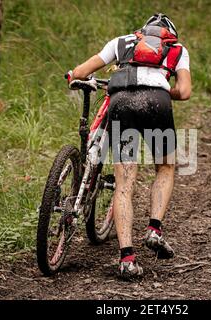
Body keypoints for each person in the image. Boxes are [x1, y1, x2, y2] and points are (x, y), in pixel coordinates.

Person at [67, 13, 191, 280]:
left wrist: (72, 75)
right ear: (168, 34)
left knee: (124, 183)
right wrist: (164, 88)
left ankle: (127, 260)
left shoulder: (121, 42)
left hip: (121, 101)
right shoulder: (178, 50)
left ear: (141, 32)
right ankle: (154, 229)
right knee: (166, 166)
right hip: (157, 101)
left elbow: (80, 72)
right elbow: (185, 91)